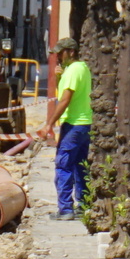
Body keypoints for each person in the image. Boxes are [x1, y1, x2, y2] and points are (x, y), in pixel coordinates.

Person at [50, 42, 91, 219]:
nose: (58, 57)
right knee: (79, 165)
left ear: (71, 52)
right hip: (85, 124)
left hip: (73, 124)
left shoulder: (73, 71)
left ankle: (65, 209)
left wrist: (49, 123)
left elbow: (65, 100)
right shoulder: (82, 68)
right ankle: (83, 205)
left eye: (61, 53)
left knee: (63, 165)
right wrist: (59, 78)